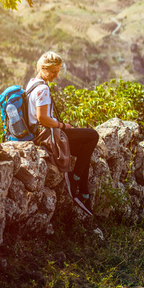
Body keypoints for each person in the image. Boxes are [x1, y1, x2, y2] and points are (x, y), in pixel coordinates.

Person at [26, 51, 99, 209]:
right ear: (43, 68)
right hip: (47, 134)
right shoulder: (43, 89)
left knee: (83, 152)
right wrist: (62, 126)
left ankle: (84, 192)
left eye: (58, 71)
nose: (56, 75)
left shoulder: (32, 83)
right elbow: (42, 118)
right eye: (53, 72)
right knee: (93, 136)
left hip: (38, 133)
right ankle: (75, 178)